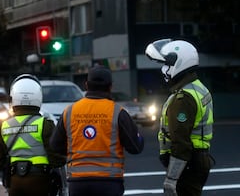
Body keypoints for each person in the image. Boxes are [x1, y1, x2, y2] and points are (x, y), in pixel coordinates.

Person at [50, 65, 144, 196]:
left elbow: (55, 146)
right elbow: (136, 147)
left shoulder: (70, 112)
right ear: (110, 87)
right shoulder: (117, 112)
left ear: (86, 85)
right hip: (109, 182)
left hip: (77, 182)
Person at [145, 39, 214, 196]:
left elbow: (181, 143)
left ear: (179, 63)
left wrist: (172, 178)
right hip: (198, 160)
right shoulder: (199, 88)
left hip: (187, 164)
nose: (163, 70)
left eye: (166, 65)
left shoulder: (184, 98)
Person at [0, 74, 65, 196]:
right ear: (38, 97)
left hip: (15, 181)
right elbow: (56, 157)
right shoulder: (44, 124)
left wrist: (7, 183)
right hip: (40, 180)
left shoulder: (5, 126)